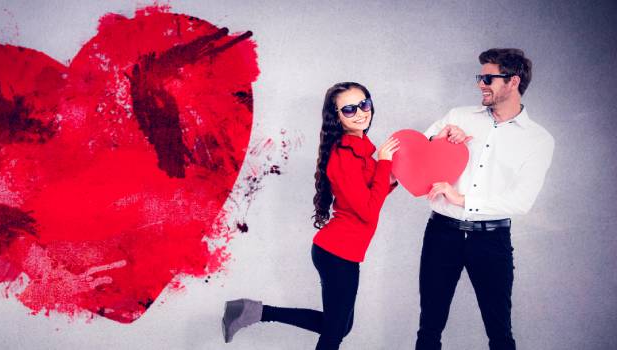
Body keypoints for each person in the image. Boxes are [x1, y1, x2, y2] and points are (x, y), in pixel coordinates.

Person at [222, 82, 400, 350]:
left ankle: (251, 311)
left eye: (364, 104)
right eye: (349, 109)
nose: (361, 113)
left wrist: (391, 177)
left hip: (343, 251)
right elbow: (367, 211)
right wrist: (385, 163)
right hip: (338, 254)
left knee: (340, 326)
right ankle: (252, 312)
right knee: (333, 334)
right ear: (337, 117)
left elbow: (369, 196)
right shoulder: (344, 155)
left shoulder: (361, 149)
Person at [415, 48, 555, 350]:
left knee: (500, 333)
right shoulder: (458, 116)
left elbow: (521, 201)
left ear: (513, 81)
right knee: (428, 329)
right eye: (480, 77)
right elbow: (415, 154)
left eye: (488, 78)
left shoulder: (538, 139)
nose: (480, 84)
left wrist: (462, 198)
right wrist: (439, 139)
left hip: (491, 241)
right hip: (441, 235)